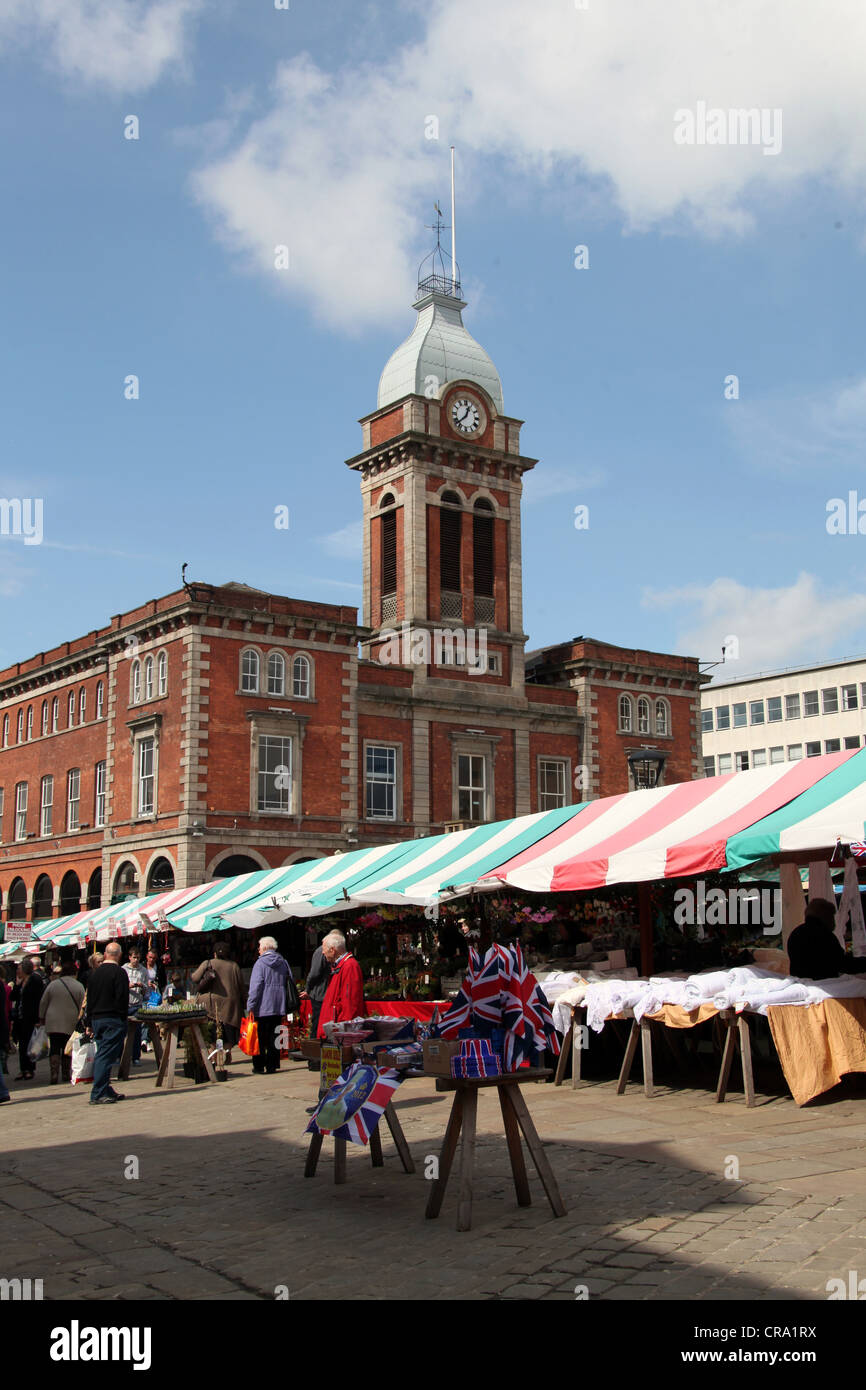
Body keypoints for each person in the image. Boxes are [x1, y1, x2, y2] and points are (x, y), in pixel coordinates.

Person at [83, 941, 129, 1104]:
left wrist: (89, 1022)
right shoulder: (119, 973)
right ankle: (98, 1093)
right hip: (112, 1019)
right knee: (105, 1055)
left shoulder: (94, 974)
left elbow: (90, 1000)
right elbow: (122, 998)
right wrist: (123, 1017)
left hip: (97, 1019)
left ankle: (106, 1088)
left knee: (103, 1053)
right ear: (119, 955)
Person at [191, 942, 246, 1062]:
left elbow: (195, 978)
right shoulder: (234, 966)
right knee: (228, 1030)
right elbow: (241, 986)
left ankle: (214, 1055)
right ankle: (227, 1051)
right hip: (230, 1005)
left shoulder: (208, 963)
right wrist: (245, 1001)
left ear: (214, 953)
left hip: (210, 1004)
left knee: (212, 1032)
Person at [246, 936, 291, 1075]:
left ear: (265, 948)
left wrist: (250, 1005)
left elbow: (255, 987)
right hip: (279, 1005)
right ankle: (272, 1065)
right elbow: (290, 980)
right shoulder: (283, 962)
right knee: (274, 1036)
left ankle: (259, 1066)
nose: (258, 950)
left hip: (262, 1007)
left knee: (259, 1038)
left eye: (259, 947)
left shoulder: (260, 964)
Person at [37, 961, 85, 1084]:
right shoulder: (78, 986)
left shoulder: (53, 985)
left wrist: (41, 1017)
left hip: (53, 1021)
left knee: (54, 1046)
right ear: (75, 972)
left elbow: (43, 1002)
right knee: (67, 1047)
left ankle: (54, 1073)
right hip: (71, 1020)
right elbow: (83, 1005)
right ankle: (65, 1073)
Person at [316, 931, 366, 1039]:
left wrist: (345, 1031)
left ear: (332, 950)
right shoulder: (339, 967)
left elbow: (350, 1003)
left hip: (340, 1032)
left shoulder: (349, 966)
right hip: (335, 1030)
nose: (323, 953)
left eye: (324, 949)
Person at [787, 898, 848, 980]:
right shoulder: (824, 935)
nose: (834, 921)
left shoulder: (796, 932)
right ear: (826, 916)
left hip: (801, 983)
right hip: (822, 985)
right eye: (832, 916)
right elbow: (841, 963)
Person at [15, 957, 45, 1080]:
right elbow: (13, 997)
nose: (17, 971)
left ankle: (30, 1069)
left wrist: (39, 1018)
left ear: (25, 969)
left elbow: (39, 999)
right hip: (20, 1017)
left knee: (30, 1044)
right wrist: (17, 985)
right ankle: (23, 1069)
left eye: (19, 968)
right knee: (21, 1044)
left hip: (31, 1017)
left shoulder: (35, 979)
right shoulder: (20, 981)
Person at [301, 943, 332, 1041]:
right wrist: (308, 989)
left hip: (321, 993)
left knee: (319, 1023)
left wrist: (308, 989)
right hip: (320, 994)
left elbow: (314, 973)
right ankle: (314, 1048)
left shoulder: (322, 951)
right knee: (318, 1023)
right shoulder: (321, 952)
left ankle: (315, 1048)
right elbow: (314, 973)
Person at [123, 948, 148, 1065]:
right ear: (129, 957)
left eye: (138, 958)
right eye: (134, 957)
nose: (136, 960)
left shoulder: (143, 970)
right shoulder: (123, 969)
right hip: (125, 1004)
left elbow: (146, 990)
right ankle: (120, 1057)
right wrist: (128, 986)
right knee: (123, 1032)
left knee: (137, 1032)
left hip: (137, 1004)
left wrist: (142, 986)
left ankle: (136, 1057)